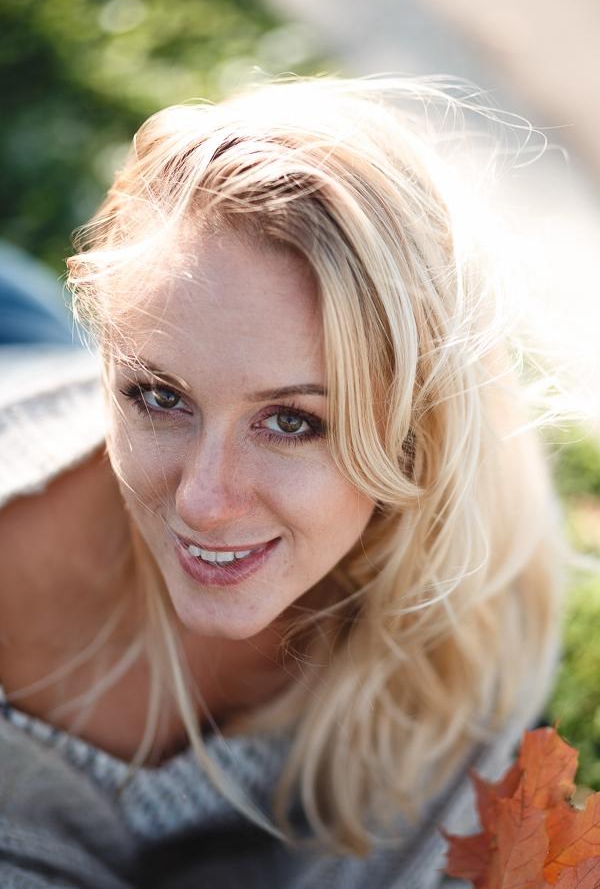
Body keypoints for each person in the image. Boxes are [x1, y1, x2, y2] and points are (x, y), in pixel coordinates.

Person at [0, 76, 562, 888]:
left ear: (415, 433)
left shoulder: (459, 645)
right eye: (158, 396)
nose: (203, 501)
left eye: (293, 421)